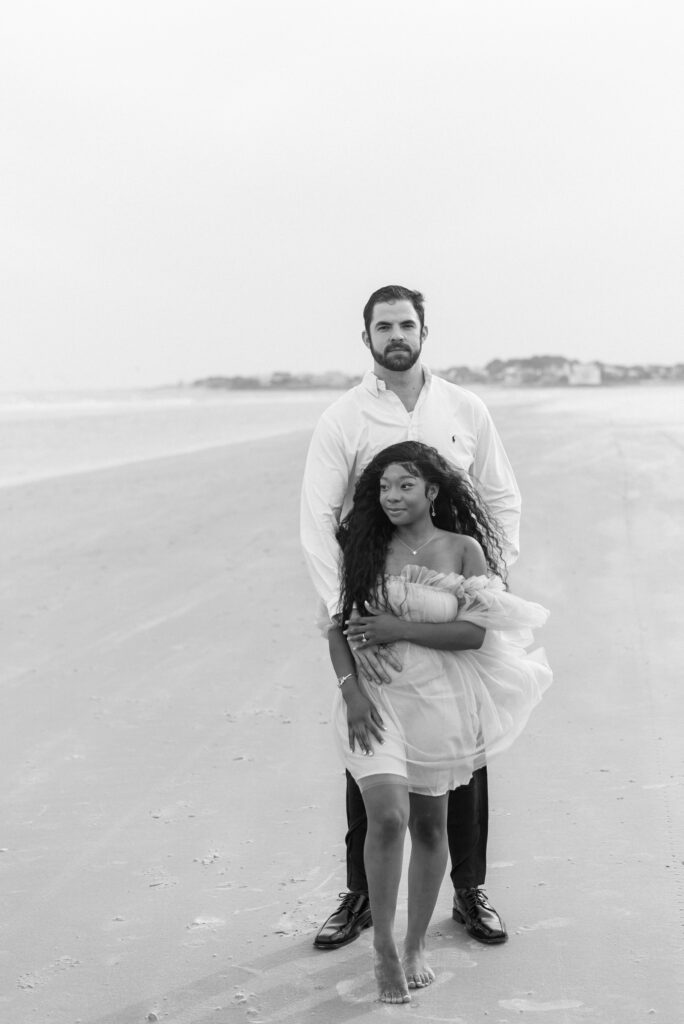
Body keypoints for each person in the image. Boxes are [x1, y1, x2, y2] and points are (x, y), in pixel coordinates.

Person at [300, 285, 522, 950]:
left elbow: (501, 495)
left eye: (406, 324)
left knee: (465, 749)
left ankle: (470, 889)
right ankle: (362, 895)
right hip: (374, 590)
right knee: (373, 743)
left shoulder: (463, 407)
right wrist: (350, 610)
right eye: (383, 325)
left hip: (453, 589)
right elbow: (317, 517)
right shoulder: (343, 418)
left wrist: (493, 585)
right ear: (365, 336)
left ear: (424, 329)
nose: (395, 334)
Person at [326, 441, 551, 1002]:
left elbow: (474, 633)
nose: (392, 496)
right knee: (387, 816)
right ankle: (382, 946)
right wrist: (351, 690)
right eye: (383, 487)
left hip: (441, 705)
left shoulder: (462, 549)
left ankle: (415, 945)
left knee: (431, 827)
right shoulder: (363, 546)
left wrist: (396, 628)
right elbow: (336, 627)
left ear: (432, 491)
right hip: (373, 703)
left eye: (405, 485)